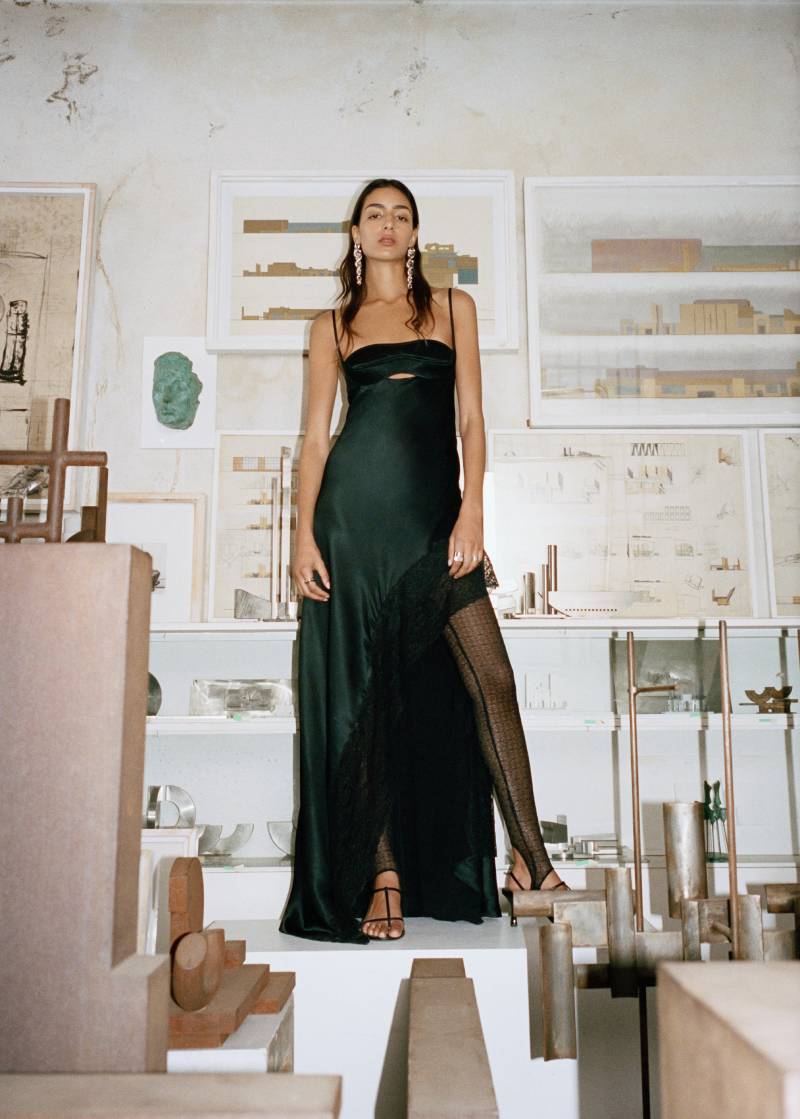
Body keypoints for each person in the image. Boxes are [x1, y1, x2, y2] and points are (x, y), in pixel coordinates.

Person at [279, 178, 566, 945]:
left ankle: (531, 858)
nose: (387, 224)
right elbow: (315, 439)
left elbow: (471, 418)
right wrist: (303, 535)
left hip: (435, 522)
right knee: (367, 695)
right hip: (352, 524)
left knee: (492, 678)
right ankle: (382, 873)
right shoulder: (331, 325)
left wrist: (474, 509)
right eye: (374, 214)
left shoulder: (452, 308)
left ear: (414, 234)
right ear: (356, 231)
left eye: (401, 215)